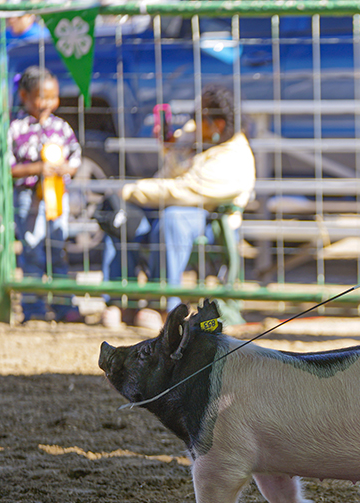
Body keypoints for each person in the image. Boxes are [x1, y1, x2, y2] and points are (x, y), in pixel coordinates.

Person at [101, 85, 255, 329]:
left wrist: (133, 190)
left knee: (172, 220)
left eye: (200, 116)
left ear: (219, 125)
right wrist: (172, 146)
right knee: (120, 217)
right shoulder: (198, 132)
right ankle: (120, 301)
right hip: (166, 204)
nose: (193, 121)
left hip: (208, 218)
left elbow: (183, 190)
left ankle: (163, 306)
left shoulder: (235, 157)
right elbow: (171, 171)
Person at [9, 66, 82, 323]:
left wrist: (64, 168)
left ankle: (63, 305)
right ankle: (33, 309)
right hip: (27, 197)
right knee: (32, 250)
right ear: (25, 96)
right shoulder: (15, 128)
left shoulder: (61, 127)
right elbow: (8, 167)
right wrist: (37, 169)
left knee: (57, 248)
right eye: (41, 97)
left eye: (53, 97)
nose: (48, 103)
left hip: (56, 197)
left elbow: (75, 158)